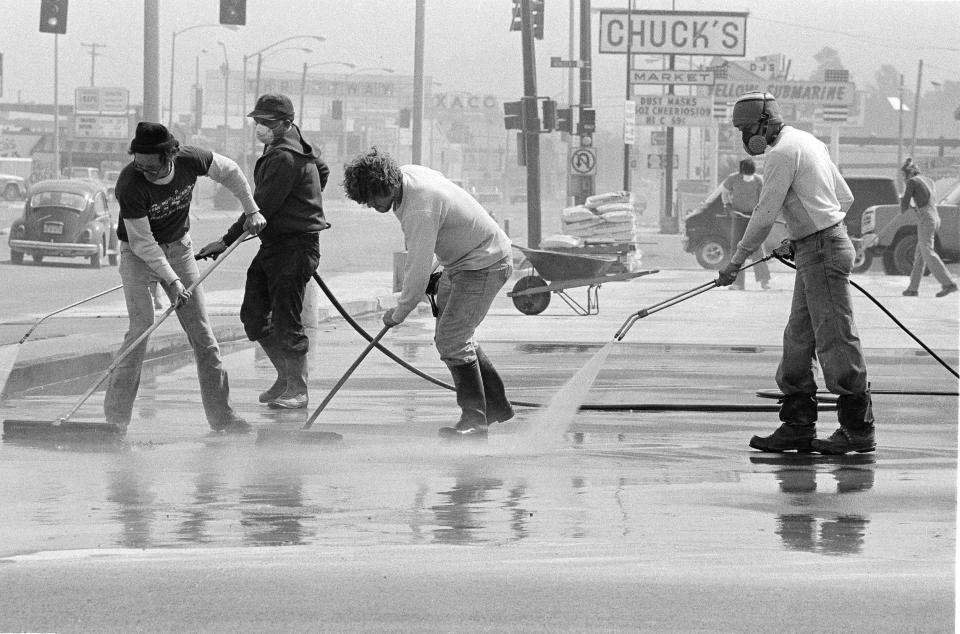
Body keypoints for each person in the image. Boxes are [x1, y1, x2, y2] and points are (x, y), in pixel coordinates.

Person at [718, 91, 875, 455]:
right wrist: (804, 233)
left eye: (746, 129)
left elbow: (764, 212)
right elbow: (845, 197)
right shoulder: (808, 142)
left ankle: (857, 428)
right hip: (817, 246)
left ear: (765, 121)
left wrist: (736, 260)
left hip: (822, 250)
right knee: (799, 339)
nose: (744, 138)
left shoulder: (782, 153)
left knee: (835, 337)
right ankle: (797, 426)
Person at [342, 147, 513, 440]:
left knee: (452, 338)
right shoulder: (408, 176)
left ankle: (475, 421)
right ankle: (496, 405)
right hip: (461, 262)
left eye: (372, 198)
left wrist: (399, 312)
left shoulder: (419, 207)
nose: (371, 205)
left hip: (485, 263)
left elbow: (417, 271)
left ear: (387, 185)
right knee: (455, 337)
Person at [105, 122, 265, 434]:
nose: (145, 172)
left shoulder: (192, 159)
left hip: (179, 249)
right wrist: (173, 281)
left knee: (204, 337)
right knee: (140, 332)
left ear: (170, 157)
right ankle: (115, 421)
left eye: (151, 166)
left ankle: (222, 417)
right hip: (138, 256)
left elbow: (230, 171)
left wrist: (251, 210)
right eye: (139, 164)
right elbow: (142, 242)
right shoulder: (130, 183)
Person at [199, 94, 329, 410]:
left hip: (295, 247)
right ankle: (285, 377)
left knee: (287, 321)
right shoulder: (290, 146)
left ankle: (298, 389)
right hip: (275, 246)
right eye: (258, 121)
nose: (261, 127)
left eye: (268, 123)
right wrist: (303, 200)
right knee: (254, 316)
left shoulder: (286, 157)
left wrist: (226, 240)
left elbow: (260, 209)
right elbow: (320, 171)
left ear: (287, 122)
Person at [898, 158, 957, 298]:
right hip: (934, 217)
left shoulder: (912, 182)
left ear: (908, 174)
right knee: (920, 254)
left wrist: (903, 200)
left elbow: (904, 207)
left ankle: (949, 284)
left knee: (927, 252)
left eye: (904, 176)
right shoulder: (928, 181)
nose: (904, 179)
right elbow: (924, 200)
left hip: (926, 219)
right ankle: (913, 288)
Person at [720, 158, 770, 290]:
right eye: (746, 174)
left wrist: (761, 212)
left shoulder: (759, 180)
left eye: (750, 174)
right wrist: (728, 207)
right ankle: (737, 283)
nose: (748, 177)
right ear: (741, 172)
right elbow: (724, 192)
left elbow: (764, 197)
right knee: (737, 250)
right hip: (738, 217)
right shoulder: (733, 179)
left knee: (757, 248)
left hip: (753, 218)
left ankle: (764, 280)